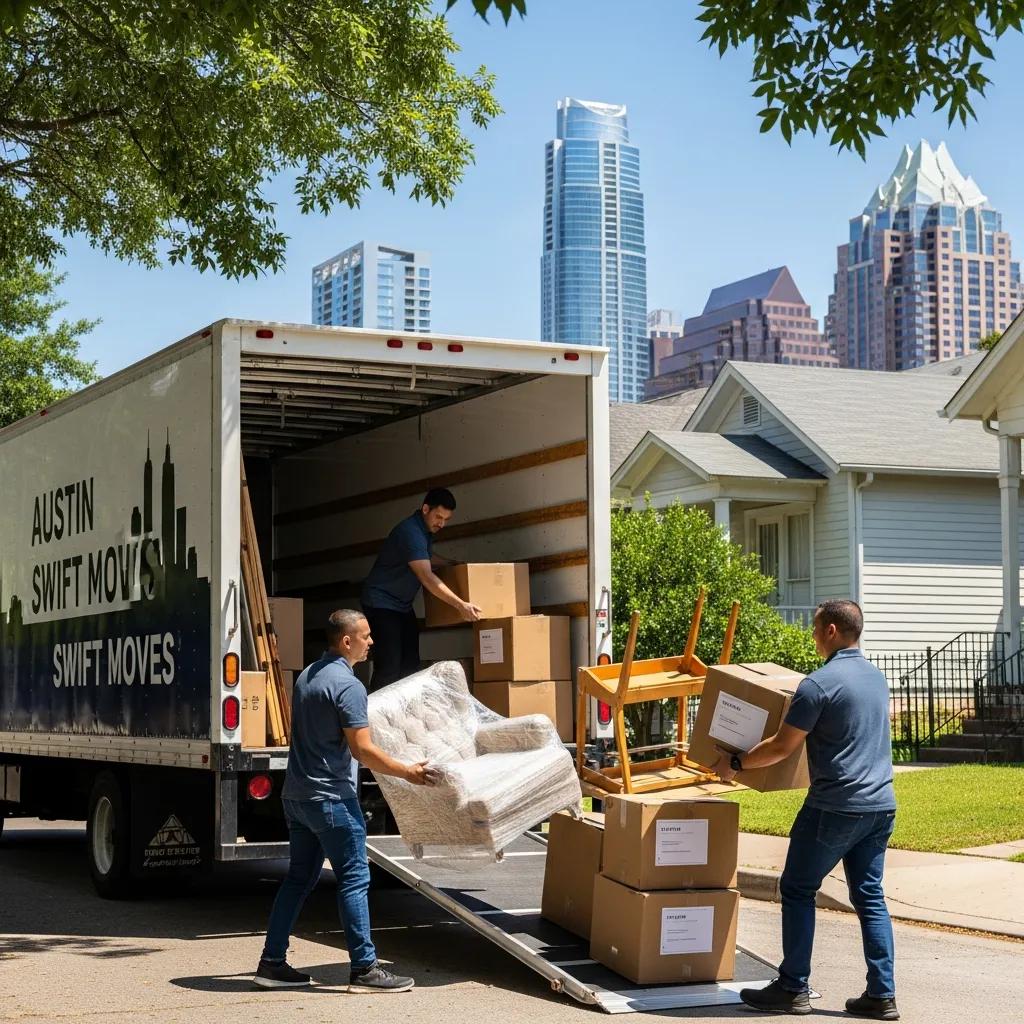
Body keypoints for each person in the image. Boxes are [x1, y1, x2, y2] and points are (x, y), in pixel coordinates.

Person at [713, 600, 898, 1021]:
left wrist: (735, 763)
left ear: (832, 631)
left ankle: (793, 987)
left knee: (797, 888)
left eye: (816, 629)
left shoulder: (818, 685)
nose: (813, 636)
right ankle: (882, 995)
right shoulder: (876, 678)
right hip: (880, 805)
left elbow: (781, 747)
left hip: (835, 806)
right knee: (869, 896)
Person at [254, 609, 437, 993]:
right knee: (354, 879)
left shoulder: (308, 676)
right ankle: (365, 970)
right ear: (346, 641)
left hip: (298, 796)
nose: (372, 642)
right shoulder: (349, 685)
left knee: (298, 879)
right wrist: (409, 772)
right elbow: (362, 750)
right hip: (331, 798)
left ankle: (272, 963)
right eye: (366, 636)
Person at [361, 487, 481, 691]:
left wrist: (451, 563)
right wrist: (460, 605)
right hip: (381, 602)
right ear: (425, 508)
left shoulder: (423, 530)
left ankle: (403, 716)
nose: (441, 523)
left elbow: (424, 556)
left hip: (401, 605)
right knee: (389, 666)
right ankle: (373, 717)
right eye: (438, 517)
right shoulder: (411, 532)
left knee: (410, 664)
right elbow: (426, 576)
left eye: (446, 519)